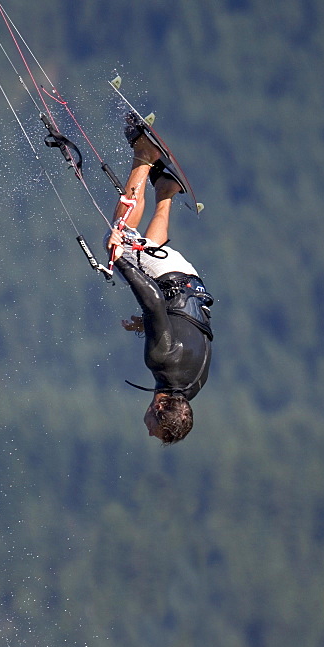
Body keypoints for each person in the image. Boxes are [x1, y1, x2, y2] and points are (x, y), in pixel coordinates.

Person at [106, 115, 213, 445]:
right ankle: (144, 154)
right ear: (161, 405)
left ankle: (165, 191)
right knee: (121, 237)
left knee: (149, 250)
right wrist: (119, 260)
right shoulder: (162, 362)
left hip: (192, 286)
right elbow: (153, 302)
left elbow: (180, 330)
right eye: (155, 427)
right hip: (169, 284)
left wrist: (148, 325)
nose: (149, 429)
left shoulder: (191, 386)